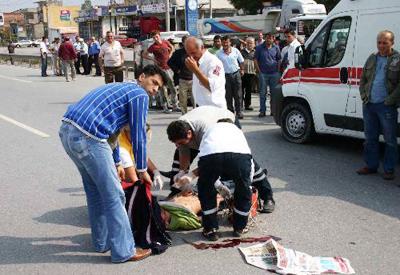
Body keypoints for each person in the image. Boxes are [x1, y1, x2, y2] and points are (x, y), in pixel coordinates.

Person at [58, 65, 166, 263]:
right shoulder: (138, 94)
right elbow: (138, 134)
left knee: (95, 192)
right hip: (89, 137)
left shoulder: (121, 88)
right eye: (154, 83)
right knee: (115, 195)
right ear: (142, 77)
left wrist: (116, 161)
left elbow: (113, 132)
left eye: (158, 88)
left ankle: (102, 242)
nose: (154, 90)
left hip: (67, 133)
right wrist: (142, 169)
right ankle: (124, 251)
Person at [165, 106, 275, 213]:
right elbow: (183, 151)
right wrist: (182, 172)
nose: (176, 145)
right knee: (179, 162)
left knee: (244, 161)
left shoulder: (207, 130)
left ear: (189, 134)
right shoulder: (179, 127)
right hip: (202, 126)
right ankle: (176, 191)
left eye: (179, 143)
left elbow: (210, 162)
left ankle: (267, 196)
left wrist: (192, 175)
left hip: (226, 122)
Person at [175, 120, 254, 240]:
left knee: (206, 190)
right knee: (243, 190)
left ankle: (211, 230)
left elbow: (207, 164)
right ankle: (240, 227)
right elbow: (249, 168)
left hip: (211, 156)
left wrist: (193, 176)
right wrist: (246, 186)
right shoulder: (237, 131)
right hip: (239, 157)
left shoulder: (210, 130)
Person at [357, 30, 400, 180]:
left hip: (386, 106)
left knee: (390, 140)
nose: (381, 45)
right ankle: (371, 165)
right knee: (370, 138)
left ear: (392, 43)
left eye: (385, 42)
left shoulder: (397, 59)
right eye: (379, 42)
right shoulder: (372, 58)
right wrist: (363, 95)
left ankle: (389, 169)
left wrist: (390, 100)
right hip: (369, 105)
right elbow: (363, 79)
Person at [143, 30, 179, 113]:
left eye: (156, 36)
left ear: (159, 36)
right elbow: (144, 54)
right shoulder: (153, 47)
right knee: (163, 87)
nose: (155, 38)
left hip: (169, 67)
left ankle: (175, 105)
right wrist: (153, 59)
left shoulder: (165, 42)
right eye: (154, 37)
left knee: (172, 86)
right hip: (160, 68)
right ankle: (165, 106)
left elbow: (172, 47)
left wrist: (170, 55)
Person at [184, 37, 226, 108]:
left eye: (193, 53)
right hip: (202, 107)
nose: (191, 56)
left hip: (214, 108)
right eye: (189, 54)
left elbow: (211, 87)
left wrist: (196, 70)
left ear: (202, 47)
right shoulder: (197, 61)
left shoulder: (213, 62)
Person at [217, 36, 245, 119]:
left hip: (236, 74)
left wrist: (242, 69)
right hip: (225, 76)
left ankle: (239, 111)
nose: (225, 44)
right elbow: (216, 65)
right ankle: (230, 112)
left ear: (230, 43)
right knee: (228, 95)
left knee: (238, 94)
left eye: (227, 42)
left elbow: (241, 61)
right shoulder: (218, 53)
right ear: (221, 43)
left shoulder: (236, 51)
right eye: (224, 42)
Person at [254, 33, 281, 117]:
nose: (269, 39)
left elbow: (279, 59)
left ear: (273, 39)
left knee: (274, 94)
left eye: (271, 38)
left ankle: (273, 111)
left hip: (274, 74)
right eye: (268, 38)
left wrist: (278, 71)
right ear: (265, 38)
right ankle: (262, 111)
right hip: (263, 74)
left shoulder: (276, 47)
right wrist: (259, 72)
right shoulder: (259, 48)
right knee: (262, 93)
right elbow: (255, 60)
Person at [168, 35, 194, 114]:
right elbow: (170, 62)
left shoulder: (194, 51)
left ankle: (196, 113)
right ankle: (184, 115)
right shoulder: (178, 53)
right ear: (182, 43)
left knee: (195, 99)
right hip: (183, 79)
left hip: (194, 79)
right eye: (185, 42)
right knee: (183, 99)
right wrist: (177, 70)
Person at [241, 37, 257, 111]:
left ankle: (247, 105)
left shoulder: (255, 52)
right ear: (245, 43)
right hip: (242, 73)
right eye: (248, 42)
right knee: (241, 90)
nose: (250, 44)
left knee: (249, 90)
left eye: (251, 43)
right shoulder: (241, 52)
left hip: (251, 74)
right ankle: (240, 104)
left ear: (254, 44)